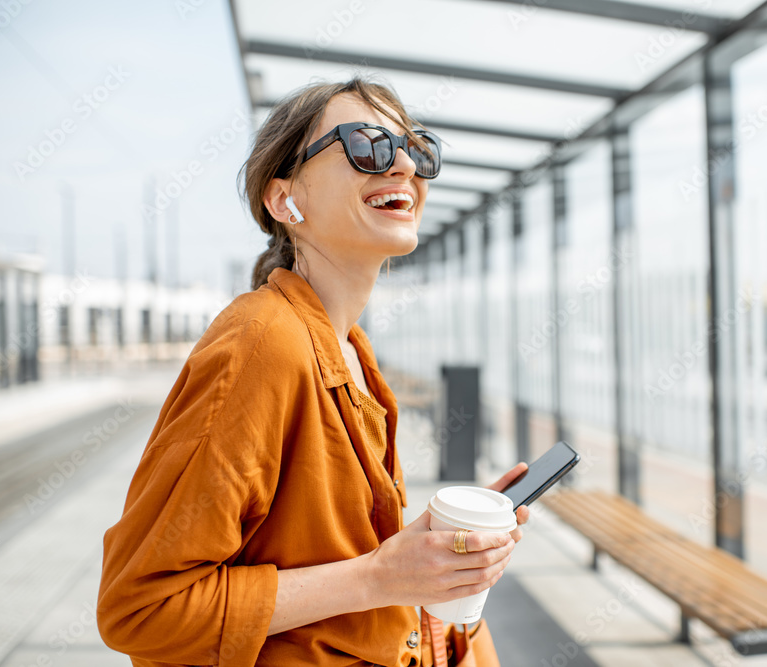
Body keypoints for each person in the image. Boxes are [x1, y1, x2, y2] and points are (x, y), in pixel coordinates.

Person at [96, 76, 530, 667]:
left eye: (416, 148)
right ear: (284, 200)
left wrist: (429, 561)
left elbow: (335, 562)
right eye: (368, 145)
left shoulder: (350, 349)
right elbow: (141, 608)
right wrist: (381, 577)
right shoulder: (262, 344)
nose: (403, 164)